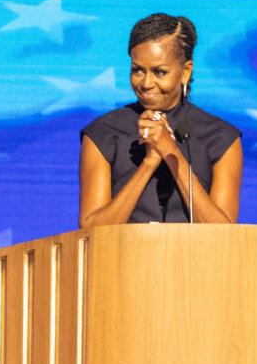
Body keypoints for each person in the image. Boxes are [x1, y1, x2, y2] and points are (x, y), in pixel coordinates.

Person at [79, 13, 243, 227]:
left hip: (195, 261)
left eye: (160, 72)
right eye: (138, 70)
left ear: (185, 72)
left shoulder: (221, 138)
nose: (146, 83)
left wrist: (171, 151)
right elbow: (91, 231)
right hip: (123, 259)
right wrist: (149, 163)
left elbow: (224, 234)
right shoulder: (103, 133)